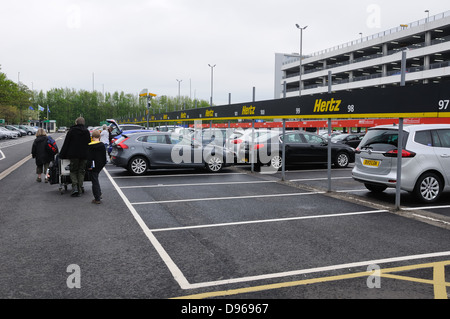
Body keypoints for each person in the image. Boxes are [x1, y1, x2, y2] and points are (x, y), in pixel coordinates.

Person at [59, 117, 91, 197]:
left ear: (76, 123)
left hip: (73, 155)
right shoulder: (86, 131)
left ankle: (75, 187)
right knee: (81, 171)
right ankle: (80, 189)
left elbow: (66, 143)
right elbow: (89, 144)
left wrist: (62, 155)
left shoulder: (71, 131)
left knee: (73, 171)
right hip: (84, 155)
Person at [87, 130, 107, 204]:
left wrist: (89, 166)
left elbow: (89, 158)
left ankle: (97, 197)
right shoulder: (102, 145)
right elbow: (104, 157)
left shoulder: (90, 146)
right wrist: (103, 164)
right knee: (96, 179)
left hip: (93, 166)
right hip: (100, 165)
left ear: (92, 137)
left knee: (94, 181)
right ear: (99, 137)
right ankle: (99, 192)